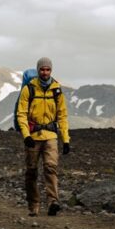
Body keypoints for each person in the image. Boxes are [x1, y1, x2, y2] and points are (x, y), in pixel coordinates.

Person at [15, 56, 70, 216]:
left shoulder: (56, 89)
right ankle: (34, 205)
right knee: (31, 171)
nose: (45, 72)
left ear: (51, 70)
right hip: (33, 136)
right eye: (42, 69)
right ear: (38, 70)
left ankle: (53, 202)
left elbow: (62, 115)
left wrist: (65, 139)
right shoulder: (29, 89)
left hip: (51, 135)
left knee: (50, 167)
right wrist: (26, 135)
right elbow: (22, 114)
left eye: (48, 69)